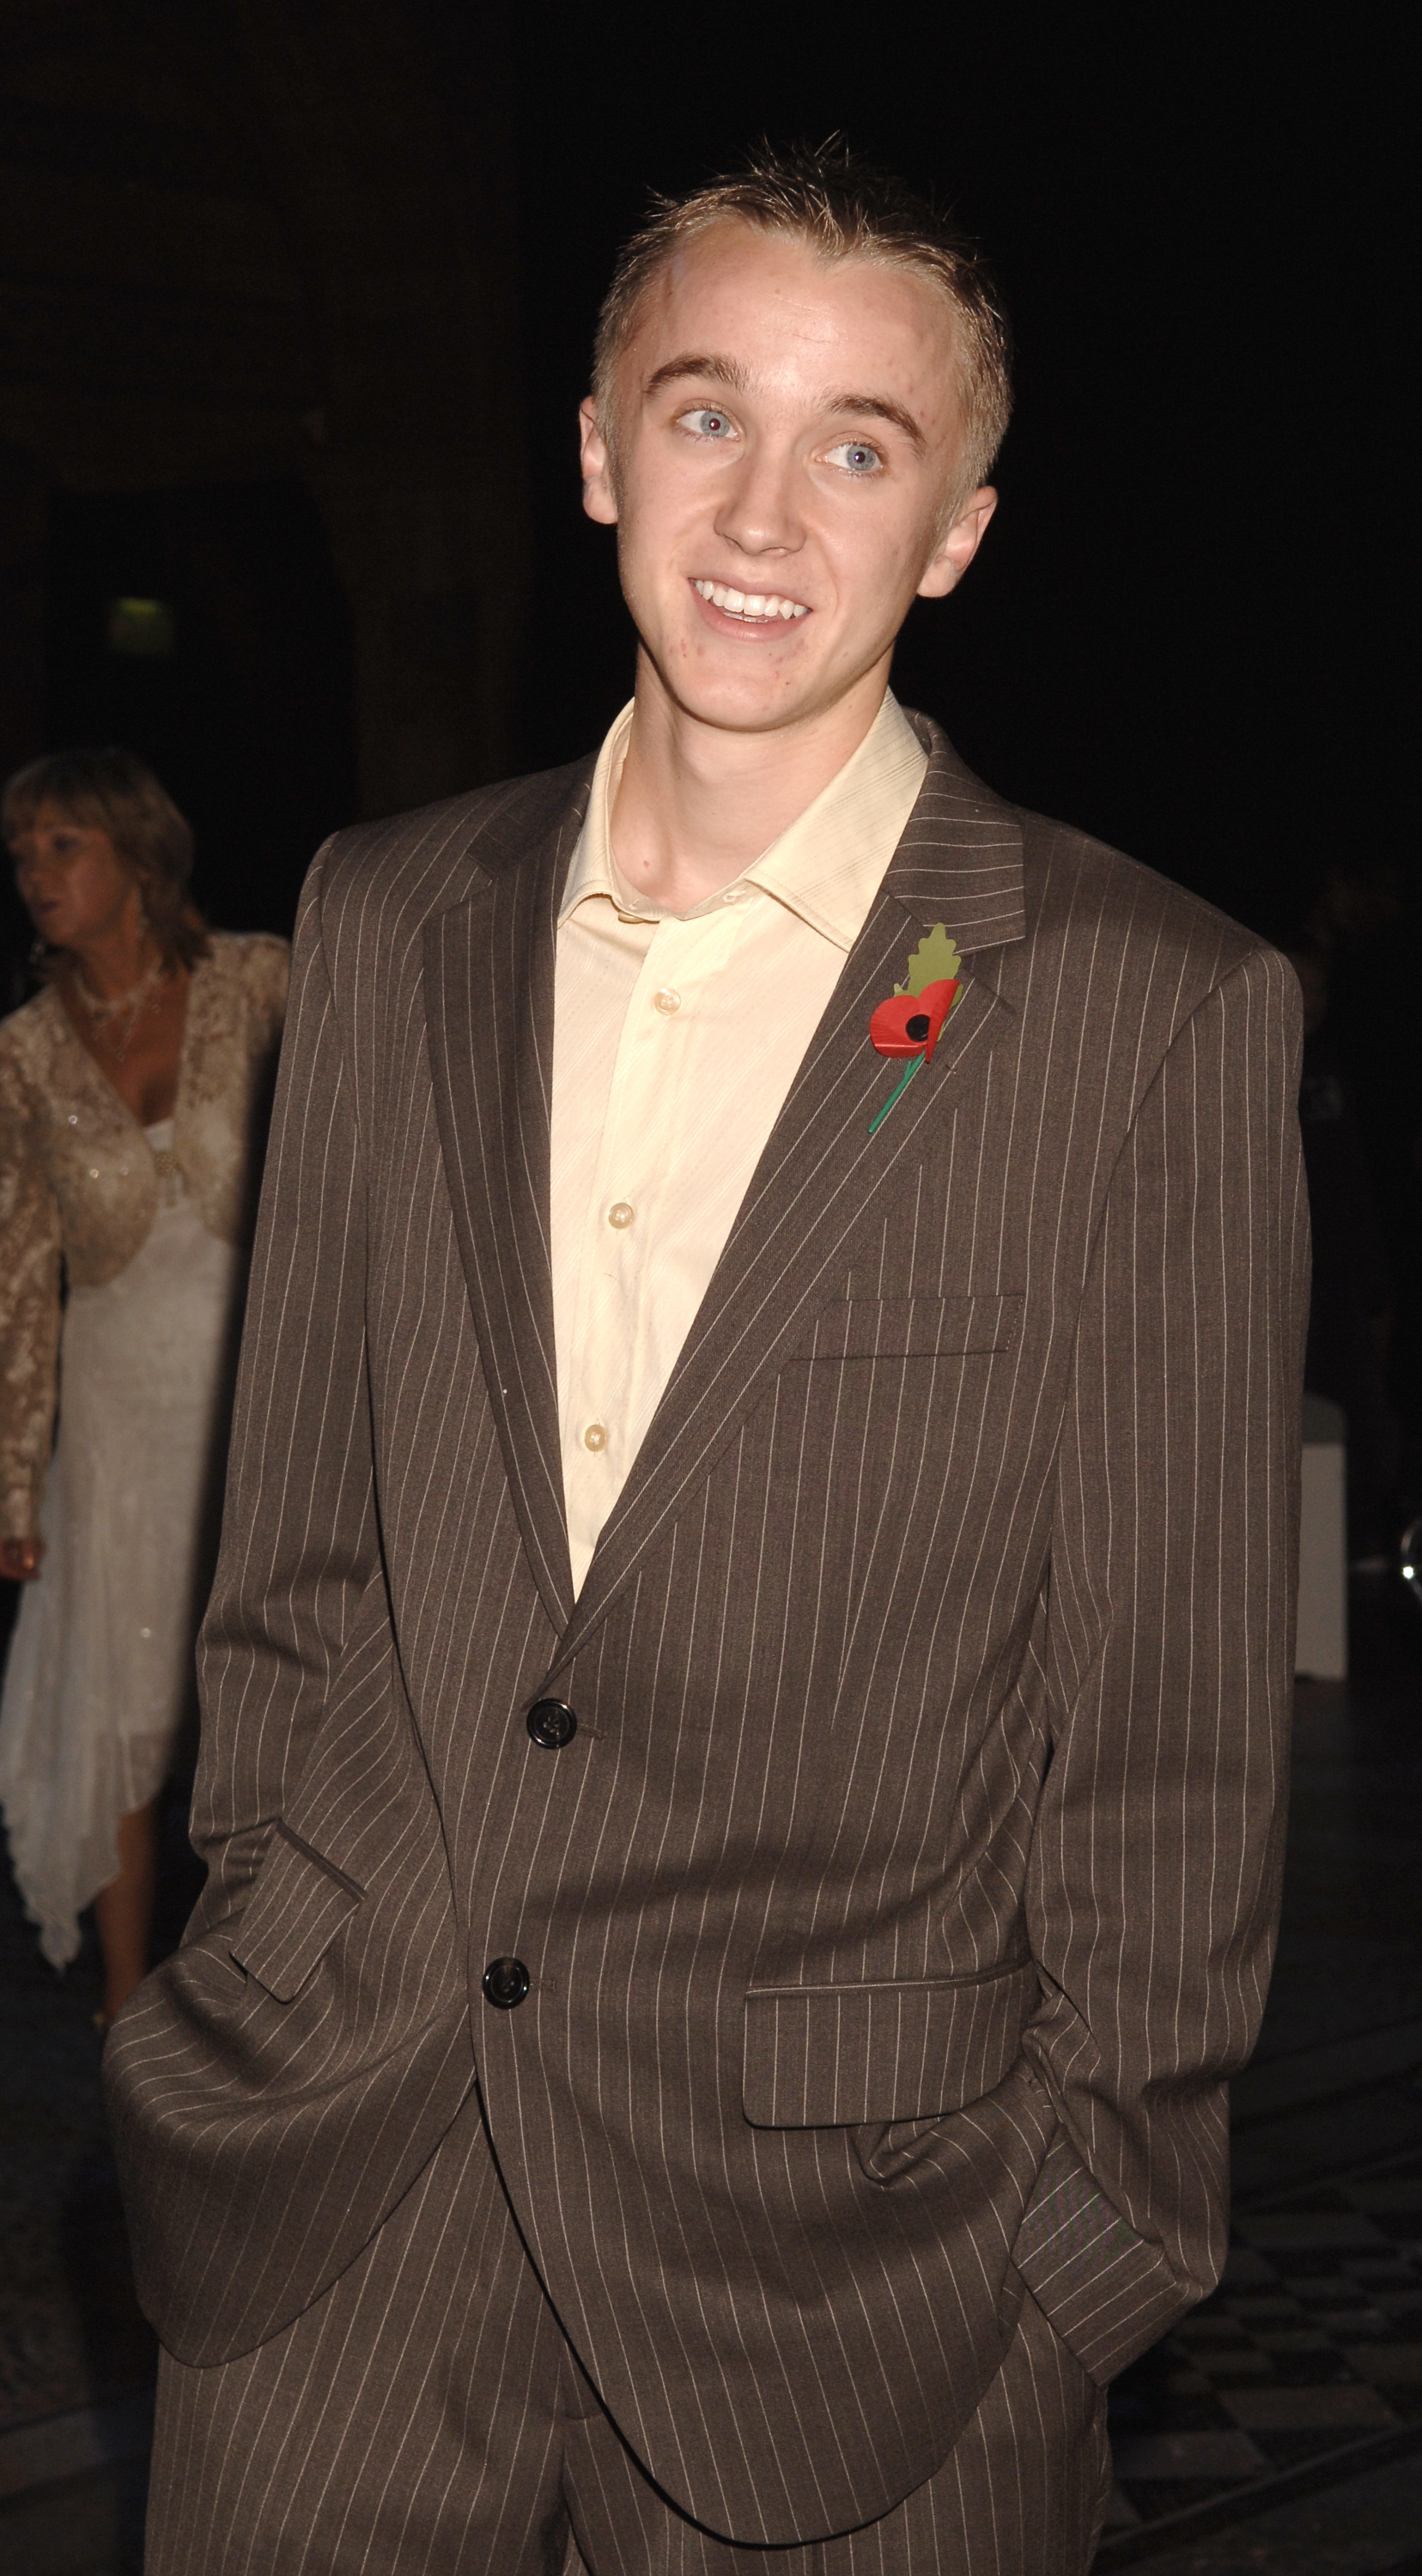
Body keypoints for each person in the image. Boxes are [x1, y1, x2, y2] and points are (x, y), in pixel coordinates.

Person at [110, 146, 1307, 2575]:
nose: (765, 513)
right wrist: (255, 1971)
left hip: (864, 2283)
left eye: (861, 445)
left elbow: (1171, 1762)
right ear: (595, 451)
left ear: (957, 529)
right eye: (704, 415)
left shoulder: (1148, 1011)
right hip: (341, 2203)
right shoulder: (388, 913)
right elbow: (293, 1560)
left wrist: (1071, 2277)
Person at [0, 749, 288, 2022]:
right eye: (21, 854)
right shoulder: (22, 1053)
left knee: (272, 1696)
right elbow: (20, 1281)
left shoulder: (260, 980)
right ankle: (128, 2009)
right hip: (117, 1410)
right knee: (123, 1704)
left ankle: (269, 1991)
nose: (35, 874)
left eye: (63, 845)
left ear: (138, 854)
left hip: (257, 1398)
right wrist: (15, 1484)